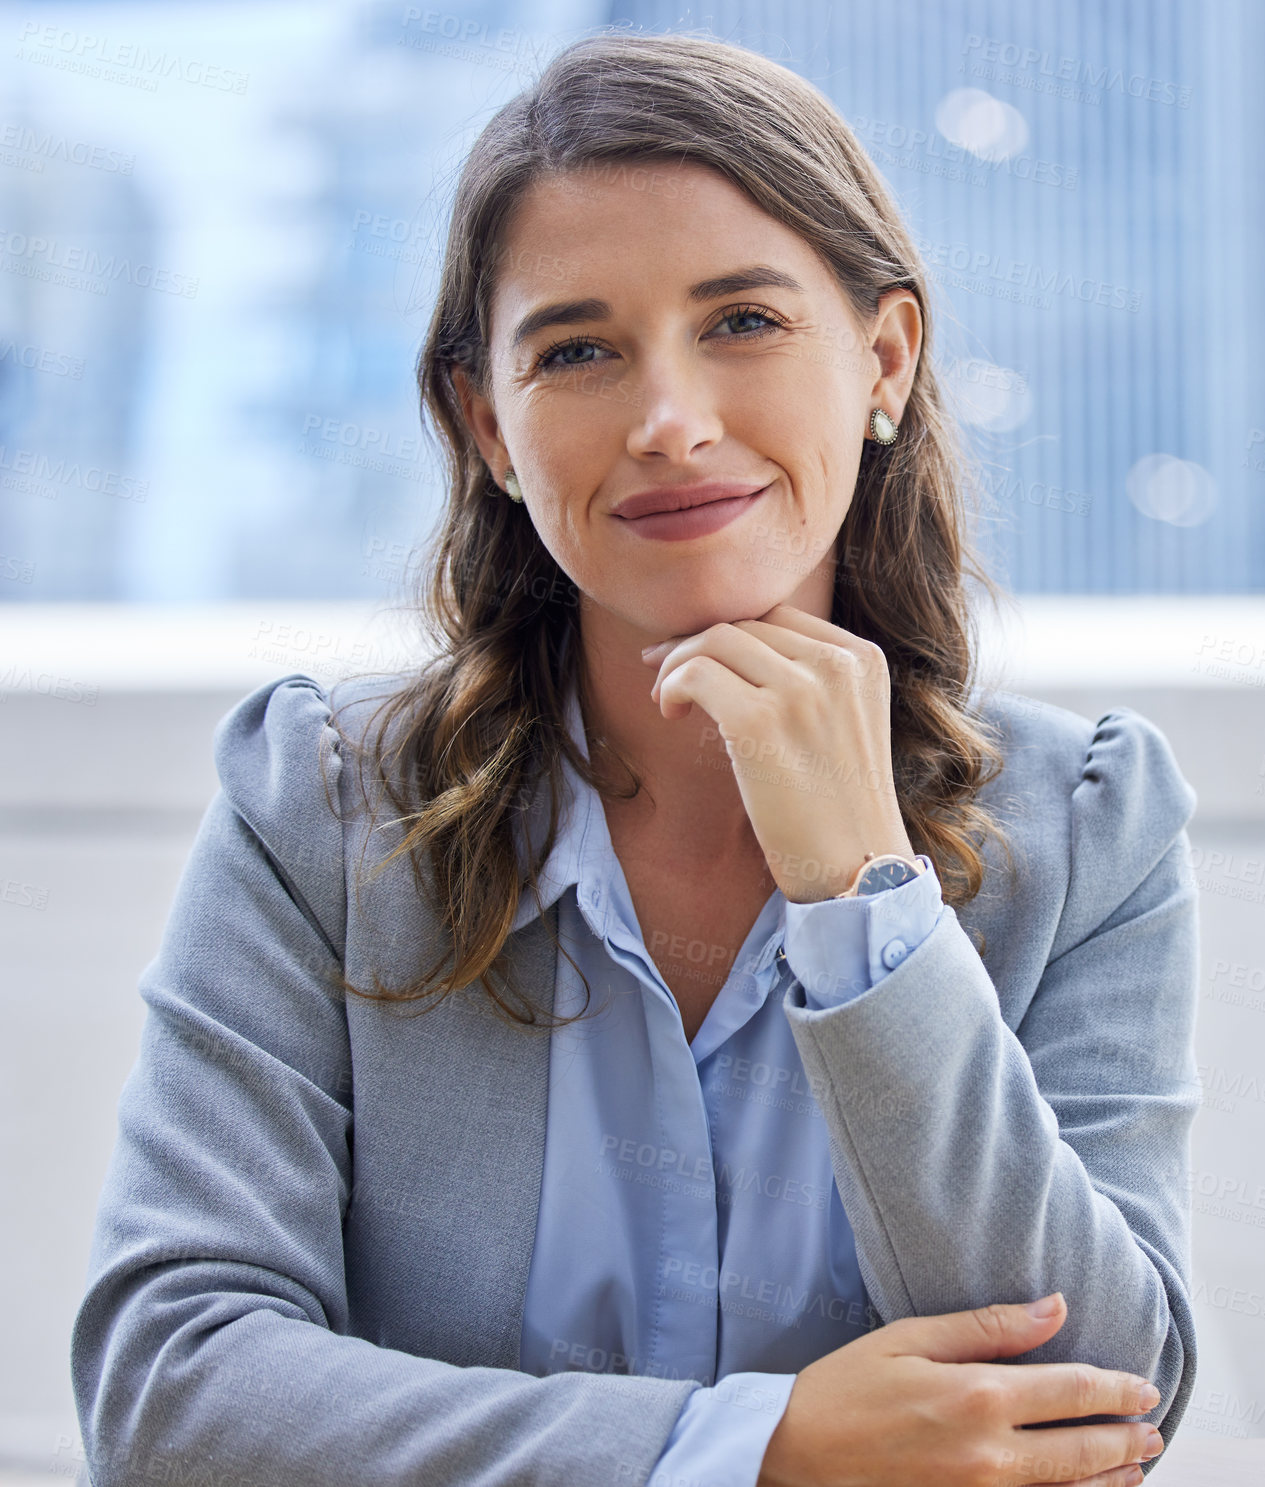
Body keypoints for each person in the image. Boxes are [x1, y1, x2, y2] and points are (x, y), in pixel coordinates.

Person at [70, 29, 1199, 1487]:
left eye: (742, 322)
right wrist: (753, 1450)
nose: (670, 423)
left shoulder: (1090, 822)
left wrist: (867, 903)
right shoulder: (324, 809)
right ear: (489, 425)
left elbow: (1104, 1403)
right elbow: (171, 1392)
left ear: (887, 359)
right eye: (580, 350)